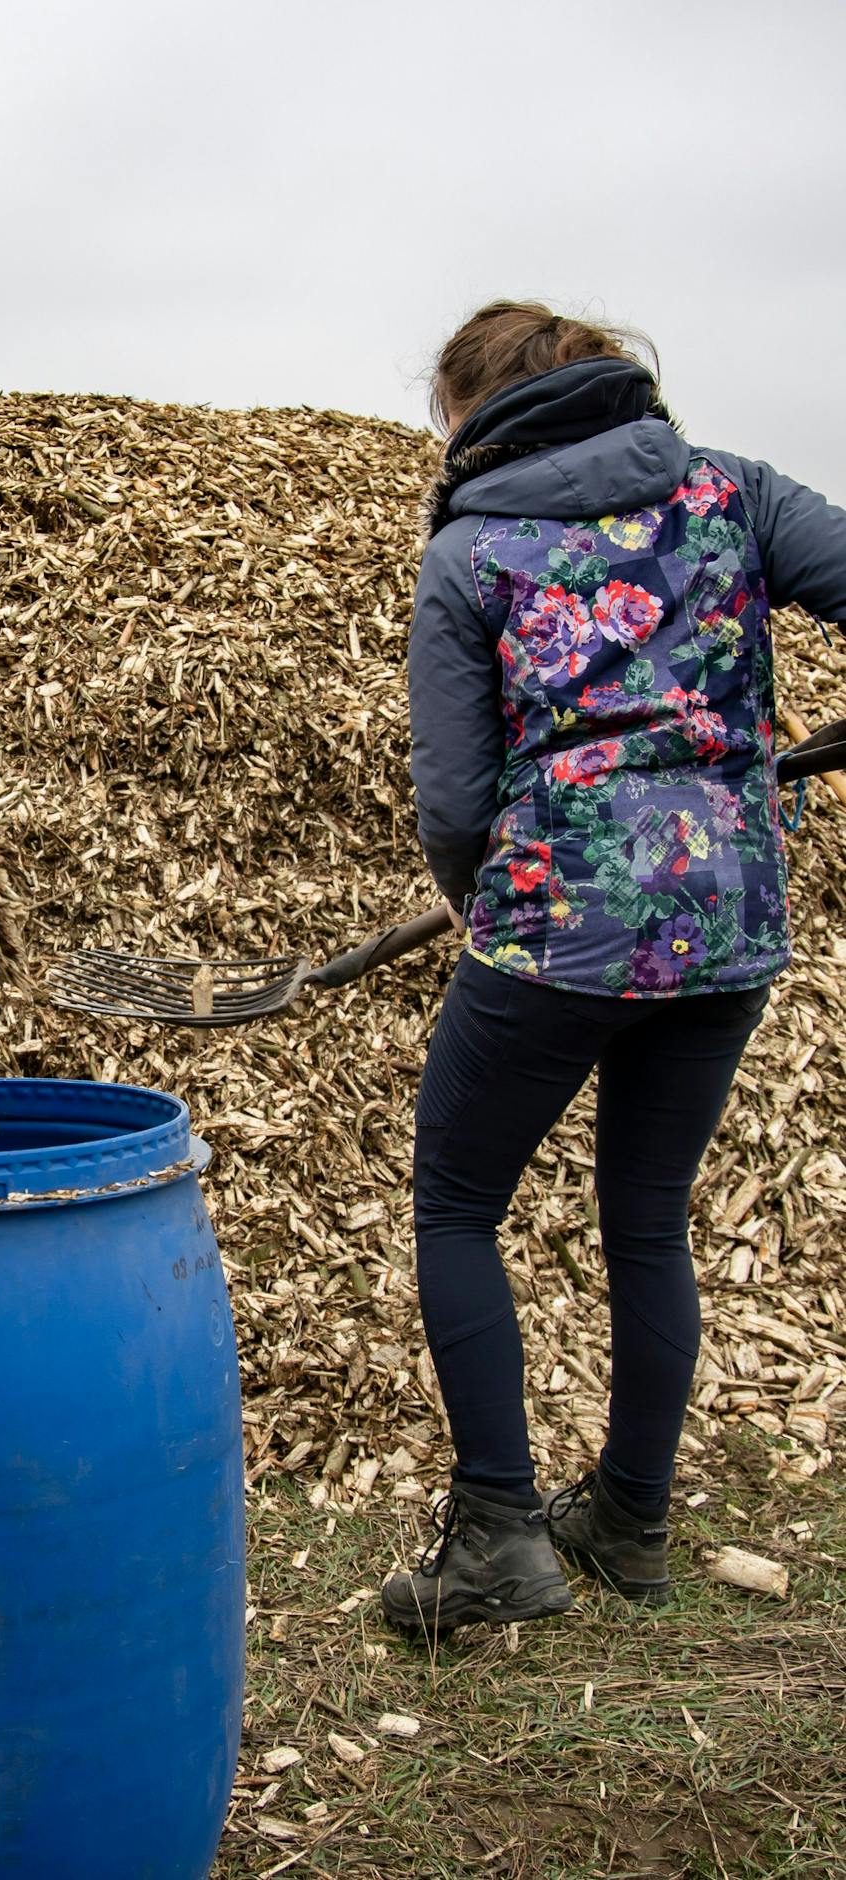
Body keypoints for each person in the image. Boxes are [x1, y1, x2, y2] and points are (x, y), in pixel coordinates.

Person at [381, 301, 846, 1635]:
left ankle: (497, 1545)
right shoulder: (732, 493)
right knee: (648, 1216)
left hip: (553, 927)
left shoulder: (473, 551)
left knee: (458, 1205)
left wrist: (496, 908)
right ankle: (630, 1520)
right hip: (730, 919)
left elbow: (456, 804)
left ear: (471, 411)